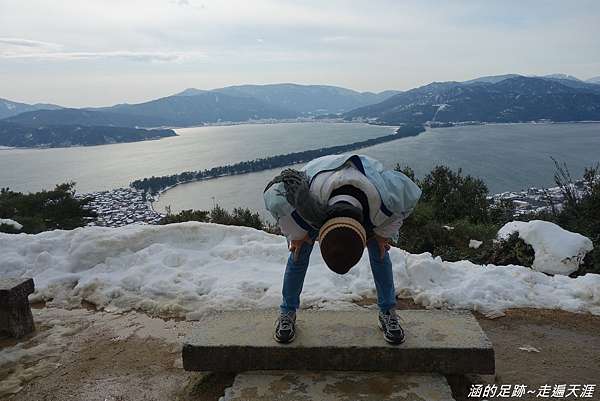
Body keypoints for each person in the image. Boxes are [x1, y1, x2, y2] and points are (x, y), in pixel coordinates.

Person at [263, 154, 421, 345]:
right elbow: (274, 196)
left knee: (380, 251)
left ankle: (388, 312)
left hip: (364, 185)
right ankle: (287, 312)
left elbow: (408, 195)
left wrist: (382, 235)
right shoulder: (303, 202)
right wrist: (296, 235)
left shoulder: (384, 201)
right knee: (298, 252)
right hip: (320, 187)